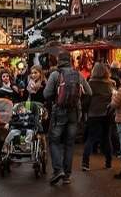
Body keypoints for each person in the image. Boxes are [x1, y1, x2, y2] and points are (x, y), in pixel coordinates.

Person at [44, 51, 92, 185]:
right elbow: (89, 92)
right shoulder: (78, 74)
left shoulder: (55, 74)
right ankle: (67, 176)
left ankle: (58, 170)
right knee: (69, 144)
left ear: (59, 61)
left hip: (59, 112)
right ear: (70, 61)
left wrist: (56, 95)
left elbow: (46, 94)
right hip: (74, 113)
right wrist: (80, 103)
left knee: (54, 141)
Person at [82, 62, 115, 171]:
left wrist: (85, 110)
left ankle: (85, 163)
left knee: (91, 138)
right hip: (107, 113)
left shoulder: (90, 83)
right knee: (107, 137)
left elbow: (86, 99)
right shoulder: (111, 84)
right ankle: (108, 162)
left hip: (93, 113)